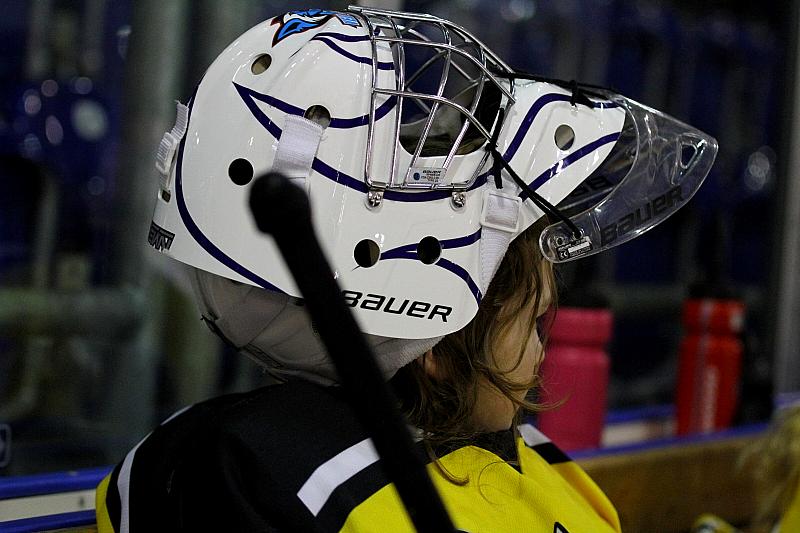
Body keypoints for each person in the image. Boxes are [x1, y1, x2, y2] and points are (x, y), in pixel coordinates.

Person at [96, 6, 717, 532]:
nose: (549, 308)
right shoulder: (251, 480)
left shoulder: (526, 457)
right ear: (435, 341)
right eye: (529, 319)